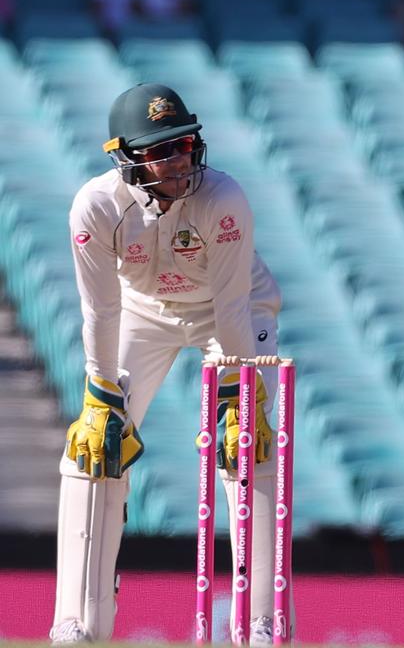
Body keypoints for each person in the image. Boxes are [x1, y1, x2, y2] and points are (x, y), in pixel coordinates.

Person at [51, 83, 284, 645]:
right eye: (162, 151)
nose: (180, 162)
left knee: (245, 444)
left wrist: (238, 392)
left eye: (184, 146)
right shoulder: (96, 206)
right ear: (126, 158)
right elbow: (100, 310)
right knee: (93, 443)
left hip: (227, 311)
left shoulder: (223, 197)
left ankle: (258, 621)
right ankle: (77, 619)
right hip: (140, 314)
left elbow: (231, 303)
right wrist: (101, 394)